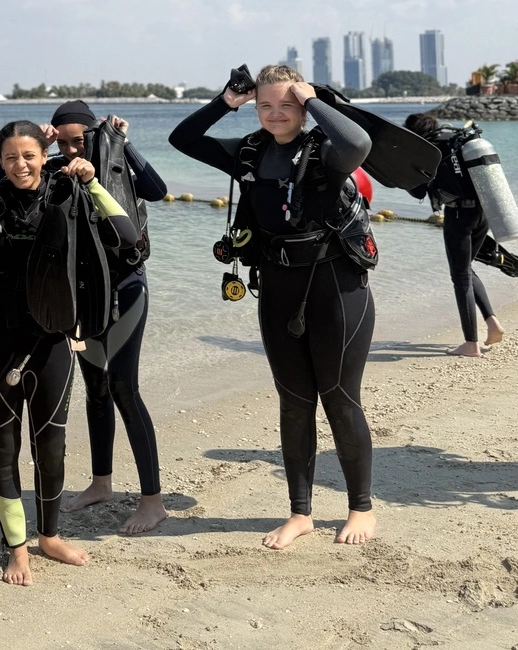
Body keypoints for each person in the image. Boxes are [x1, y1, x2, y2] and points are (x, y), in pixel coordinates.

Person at [0, 120, 137, 585]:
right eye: (10, 157)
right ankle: (17, 549)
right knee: (2, 445)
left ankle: (50, 536)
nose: (20, 165)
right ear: (0, 160)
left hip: (52, 339)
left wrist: (92, 183)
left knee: (50, 446)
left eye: (29, 156)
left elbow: (128, 236)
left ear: (42, 154)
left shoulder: (66, 195)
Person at [169, 65, 377, 550]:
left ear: (303, 107)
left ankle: (361, 507)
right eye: (265, 105)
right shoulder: (247, 151)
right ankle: (300, 513)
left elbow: (359, 143)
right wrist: (226, 101)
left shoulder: (325, 151)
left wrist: (313, 99)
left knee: (340, 399)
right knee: (294, 400)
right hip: (278, 285)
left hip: (336, 287)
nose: (275, 113)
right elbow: (183, 137)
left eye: (287, 105)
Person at [40, 101, 169, 534]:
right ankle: (101, 484)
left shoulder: (114, 166)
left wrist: (124, 145)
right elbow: (9, 182)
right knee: (95, 388)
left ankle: (153, 501)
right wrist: (39, 148)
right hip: (83, 296)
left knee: (123, 388)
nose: (74, 147)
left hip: (127, 287)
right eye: (65, 140)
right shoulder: (51, 170)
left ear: (95, 135)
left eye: (82, 139)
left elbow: (157, 188)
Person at [403, 114, 505, 358]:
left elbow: (417, 190)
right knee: (466, 270)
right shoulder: (457, 141)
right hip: (484, 211)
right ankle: (492, 323)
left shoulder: (429, 152)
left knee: (460, 277)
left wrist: (401, 171)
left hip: (460, 215)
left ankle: (471, 344)